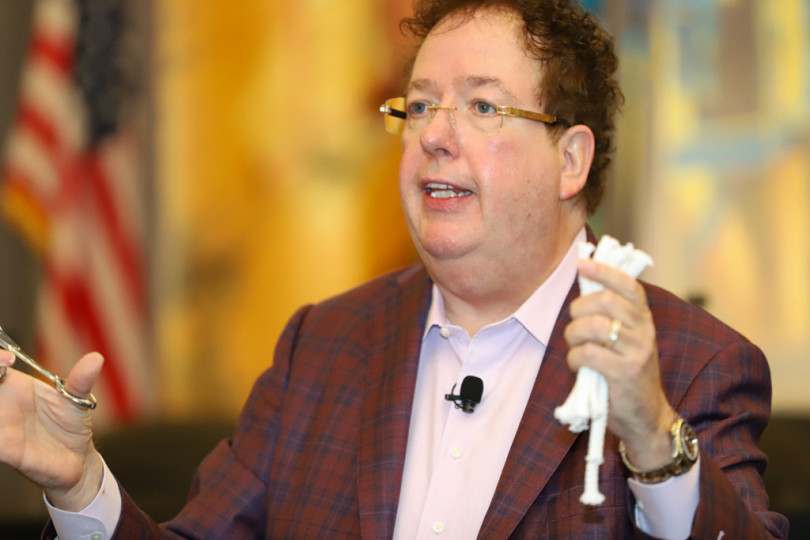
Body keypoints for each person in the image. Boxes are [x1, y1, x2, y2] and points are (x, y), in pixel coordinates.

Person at [0, 0, 789, 538]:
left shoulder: (689, 364)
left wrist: (652, 438)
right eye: (419, 105)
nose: (435, 136)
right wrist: (80, 485)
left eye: (483, 107)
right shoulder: (324, 346)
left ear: (571, 160)